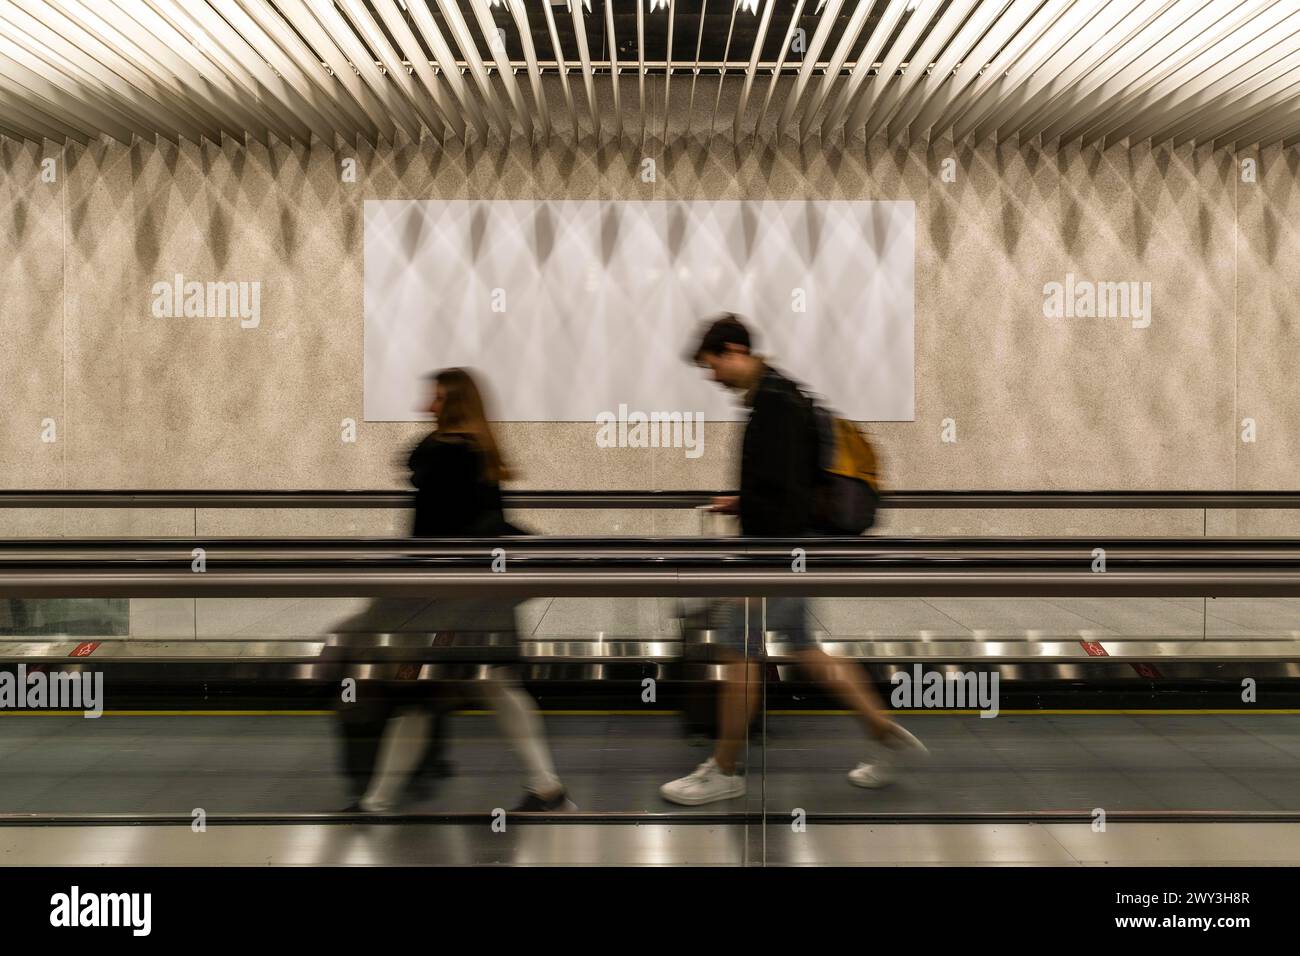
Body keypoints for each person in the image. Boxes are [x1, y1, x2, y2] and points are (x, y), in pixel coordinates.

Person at [660, 314, 926, 806]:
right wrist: (741, 503)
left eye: (713, 364)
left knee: (737, 647)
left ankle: (724, 770)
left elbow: (783, 501)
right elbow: (791, 485)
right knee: (804, 649)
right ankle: (886, 736)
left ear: (735, 350)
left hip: (780, 553)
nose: (712, 376)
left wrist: (752, 570)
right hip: (792, 549)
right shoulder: (781, 395)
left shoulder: (775, 403)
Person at [356, 368, 575, 813]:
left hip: (445, 598)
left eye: (435, 399)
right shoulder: (482, 454)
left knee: (421, 696)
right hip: (478, 593)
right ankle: (547, 787)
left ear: (452, 403)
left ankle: (377, 802)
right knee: (489, 688)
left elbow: (429, 536)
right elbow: (488, 526)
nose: (426, 407)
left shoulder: (440, 453)